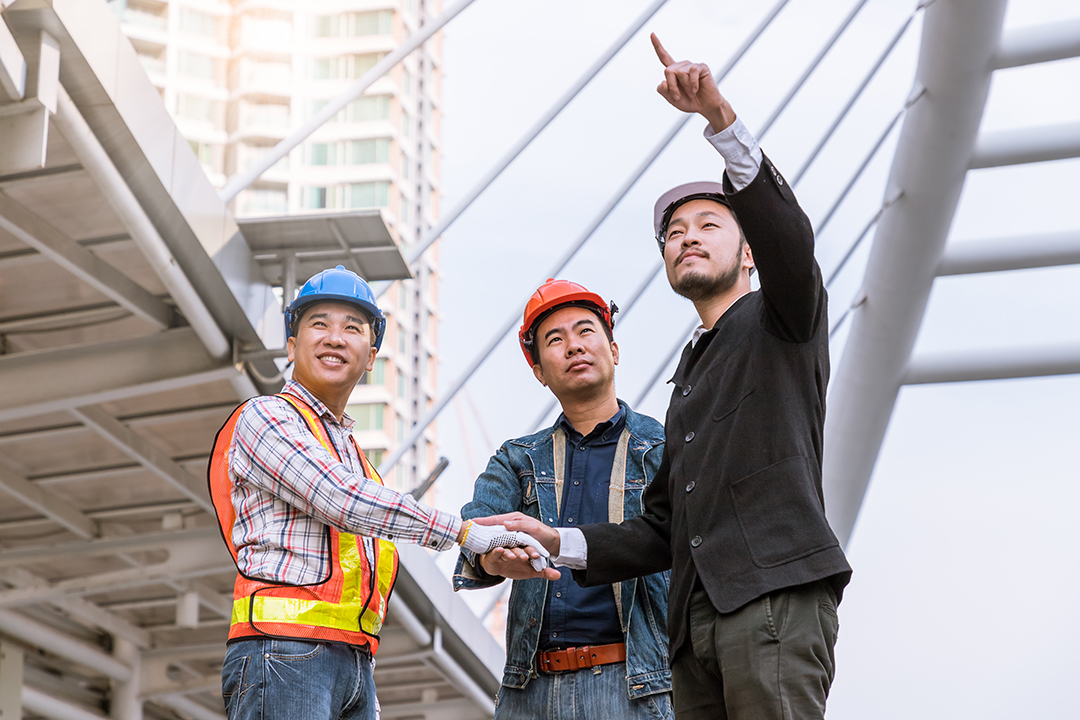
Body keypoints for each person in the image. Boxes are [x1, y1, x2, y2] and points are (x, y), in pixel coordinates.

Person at [488, 35, 853, 720]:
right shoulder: (690, 376)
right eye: (674, 232)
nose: (686, 236)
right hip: (695, 633)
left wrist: (720, 122)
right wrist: (557, 542)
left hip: (771, 602)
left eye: (708, 223)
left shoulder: (784, 318)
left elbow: (789, 241)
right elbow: (661, 527)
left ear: (748, 252)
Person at [207, 265, 548, 720]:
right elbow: (339, 498)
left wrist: (358, 673)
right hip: (283, 649)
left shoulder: (354, 457)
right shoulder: (267, 417)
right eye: (319, 324)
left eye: (352, 328)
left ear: (370, 356)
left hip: (351, 661)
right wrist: (464, 533)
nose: (334, 337)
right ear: (292, 345)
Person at [453, 279, 673, 719]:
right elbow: (477, 529)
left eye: (586, 331)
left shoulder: (664, 450)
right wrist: (495, 559)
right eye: (556, 339)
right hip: (529, 691)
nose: (574, 346)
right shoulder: (519, 459)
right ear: (539, 372)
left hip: (636, 687)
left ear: (614, 350)